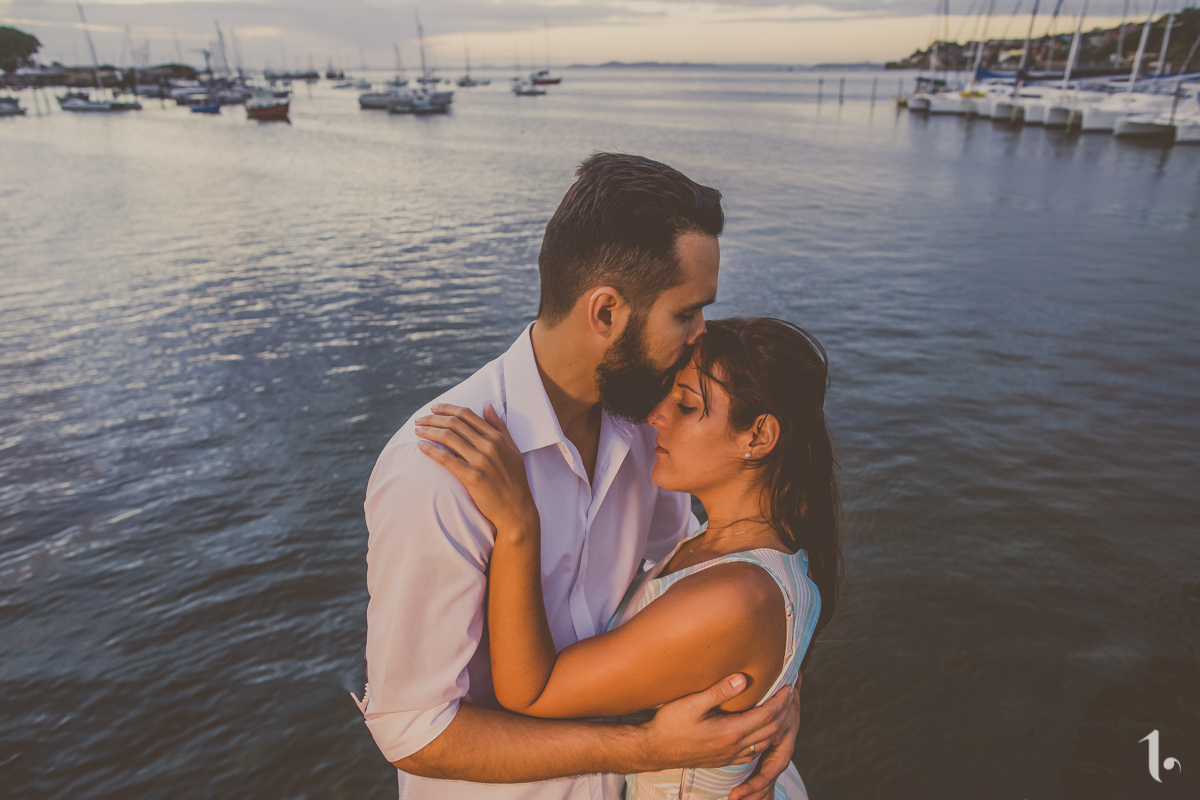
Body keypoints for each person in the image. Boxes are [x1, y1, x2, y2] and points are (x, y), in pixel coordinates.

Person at [359, 154, 803, 799]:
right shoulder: (437, 473)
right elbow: (413, 731)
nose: (701, 336)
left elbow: (692, 579)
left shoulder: (653, 433)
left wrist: (778, 683)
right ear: (606, 314)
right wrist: (645, 749)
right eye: (686, 313)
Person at [416, 317, 840, 799]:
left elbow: (531, 692)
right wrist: (785, 687)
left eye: (686, 405)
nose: (655, 415)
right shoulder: (750, 546)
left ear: (758, 437)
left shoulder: (733, 596)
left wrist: (518, 526)